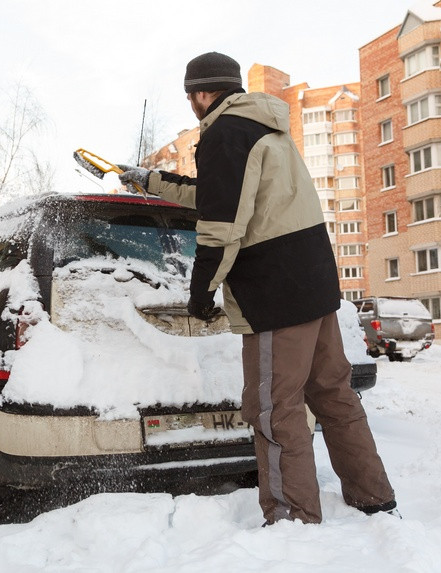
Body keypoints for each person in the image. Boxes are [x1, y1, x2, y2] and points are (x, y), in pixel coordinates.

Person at [118, 52, 398, 525]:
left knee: (272, 408)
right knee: (333, 393)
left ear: (202, 93)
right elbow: (214, 191)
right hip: (314, 286)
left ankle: (292, 517)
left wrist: (201, 290)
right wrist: (150, 182)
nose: (191, 105)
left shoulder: (224, 134)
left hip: (275, 294)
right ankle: (374, 496)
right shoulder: (262, 126)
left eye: (191, 96)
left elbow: (220, 224)